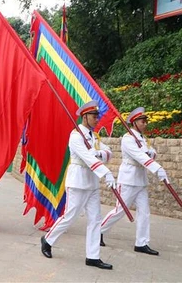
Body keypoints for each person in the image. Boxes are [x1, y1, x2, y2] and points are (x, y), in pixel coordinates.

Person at [40, 100, 115, 270]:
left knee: (95, 219)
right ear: (85, 117)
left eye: (98, 116)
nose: (97, 119)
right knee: (70, 216)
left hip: (92, 183)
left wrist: (97, 153)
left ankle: (93, 256)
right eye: (94, 116)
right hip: (78, 181)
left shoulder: (93, 137)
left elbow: (108, 152)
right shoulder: (75, 136)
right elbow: (87, 158)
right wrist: (106, 172)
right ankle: (48, 239)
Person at [100, 107, 168, 256]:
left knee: (144, 212)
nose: (145, 123)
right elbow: (141, 157)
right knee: (120, 211)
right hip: (128, 179)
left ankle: (141, 243)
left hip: (141, 180)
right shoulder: (128, 139)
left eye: (145, 121)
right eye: (142, 121)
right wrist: (157, 169)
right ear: (134, 122)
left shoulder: (143, 139)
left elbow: (152, 153)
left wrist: (149, 153)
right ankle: (98, 231)